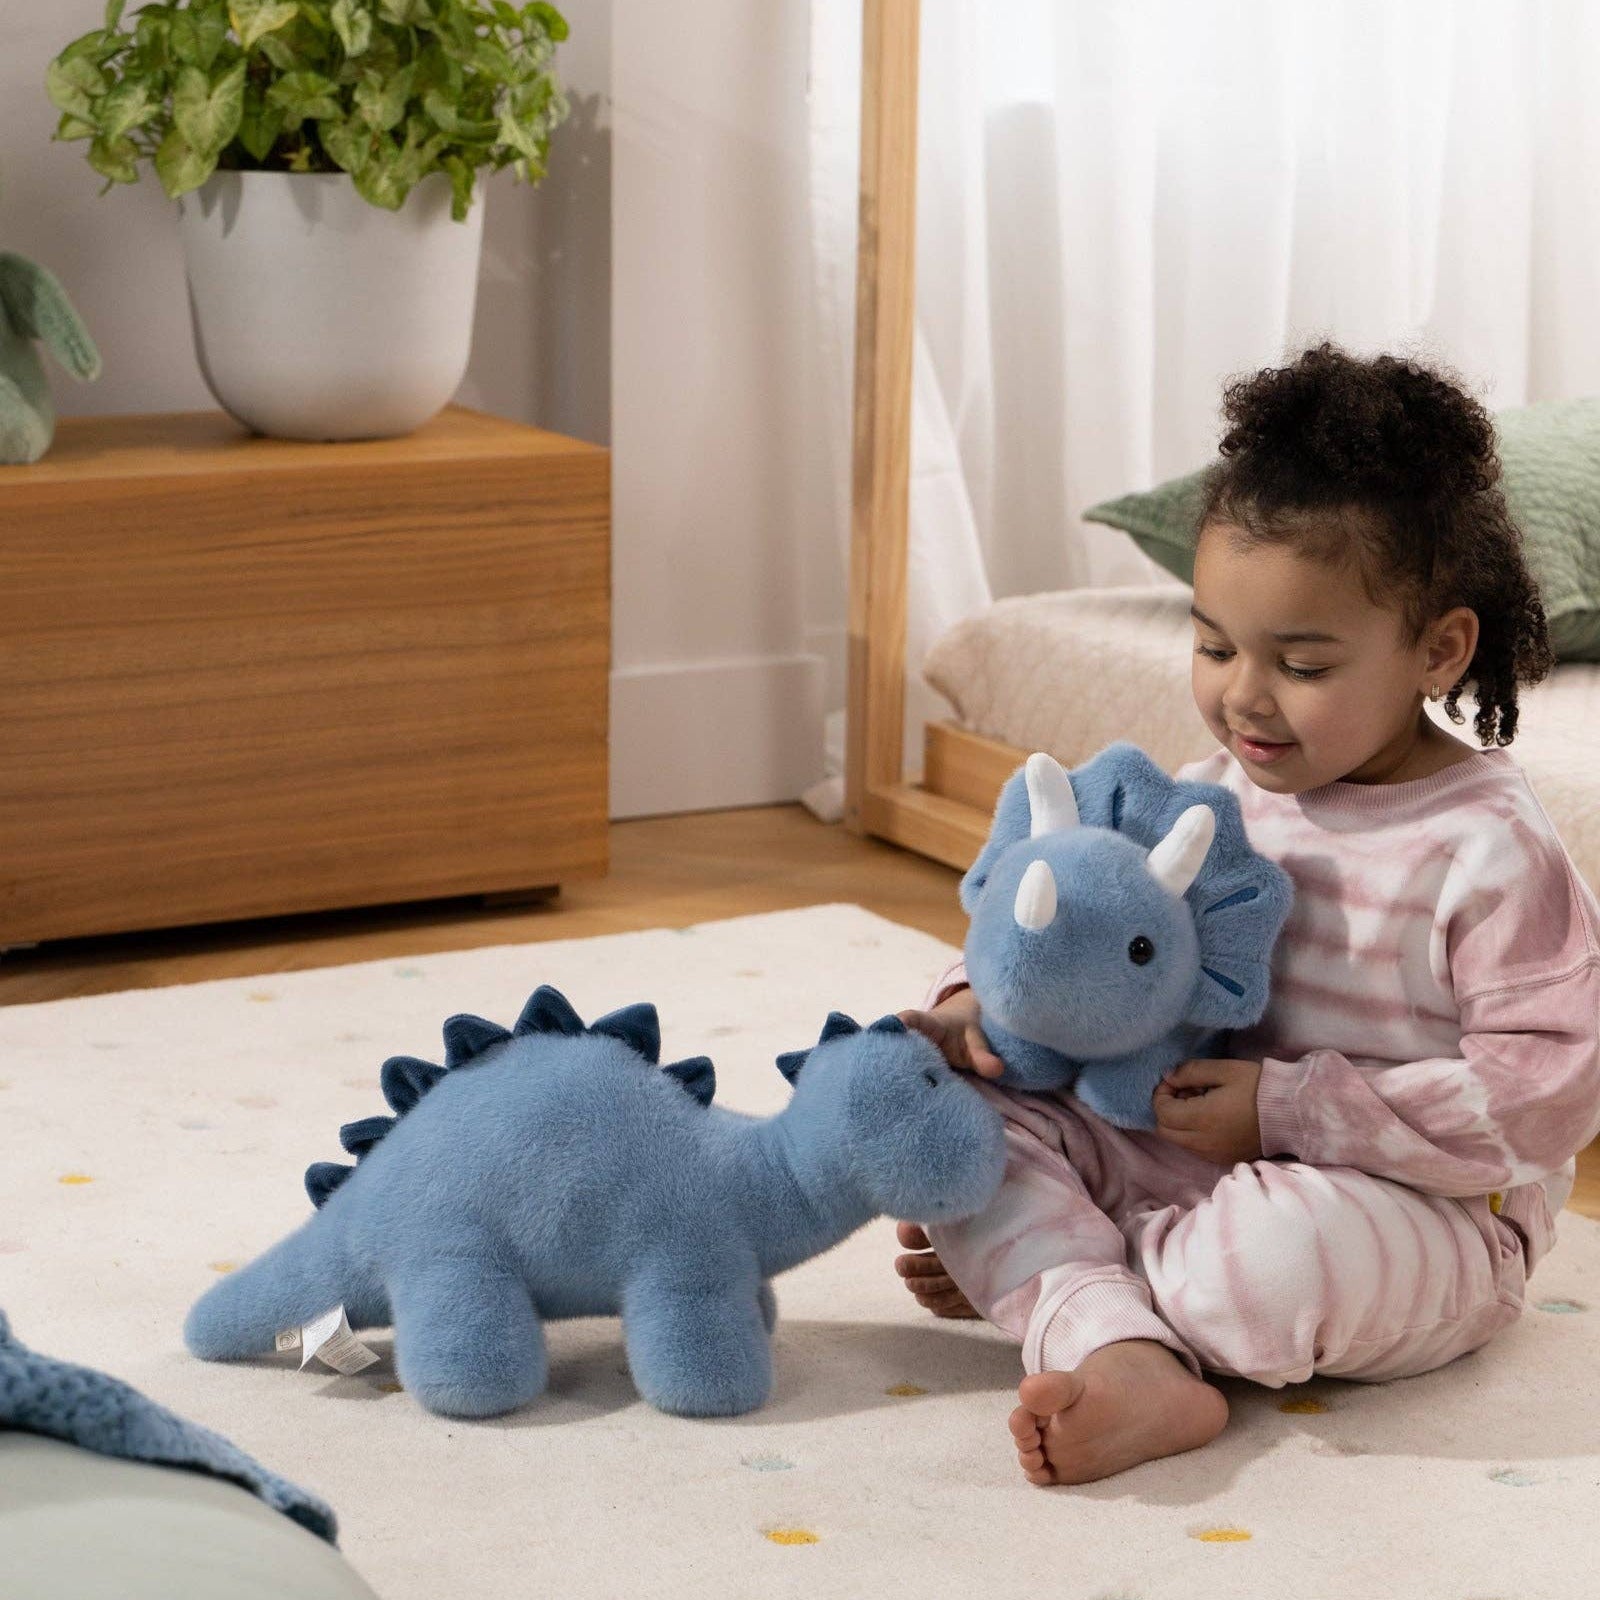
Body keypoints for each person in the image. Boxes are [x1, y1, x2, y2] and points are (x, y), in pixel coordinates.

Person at [895, 342, 1600, 1488]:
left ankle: (1071, 1292)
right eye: (1213, 644)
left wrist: (1290, 1108)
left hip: (1418, 1216)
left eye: (1301, 663)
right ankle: (1118, 1342)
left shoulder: (1489, 850)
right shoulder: (1208, 799)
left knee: (1265, 1260)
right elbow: (1070, 933)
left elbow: (1544, 1099)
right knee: (950, 1120)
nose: (1240, 695)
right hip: (1181, 1151)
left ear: (1439, 648)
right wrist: (978, 1009)